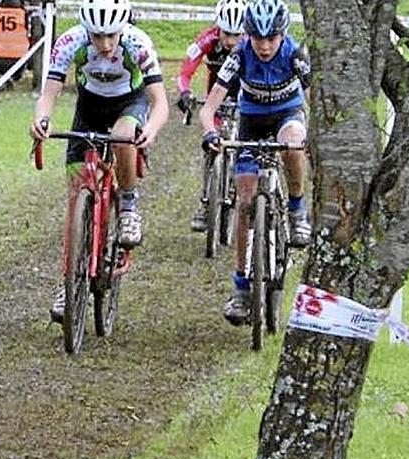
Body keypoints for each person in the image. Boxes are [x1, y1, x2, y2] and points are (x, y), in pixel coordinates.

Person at [30, 0, 168, 323]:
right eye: (97, 36)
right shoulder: (70, 42)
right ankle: (69, 278)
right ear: (86, 31)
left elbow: (160, 101)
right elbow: (48, 94)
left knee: (122, 137)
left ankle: (129, 207)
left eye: (111, 36)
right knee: (76, 194)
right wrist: (42, 120)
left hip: (128, 104)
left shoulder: (138, 43)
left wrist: (150, 128)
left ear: (123, 29)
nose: (105, 45)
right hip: (89, 108)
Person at [199, 0, 312, 325]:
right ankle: (241, 287)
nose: (263, 46)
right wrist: (210, 133)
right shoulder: (239, 55)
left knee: (292, 144)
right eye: (257, 38)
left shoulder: (293, 54)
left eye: (270, 39)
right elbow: (209, 108)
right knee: (245, 202)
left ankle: (296, 207)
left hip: (287, 113)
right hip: (251, 120)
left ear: (281, 35)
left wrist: (313, 138)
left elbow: (314, 97)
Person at [174, 0, 248, 232]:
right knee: (211, 145)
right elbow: (186, 70)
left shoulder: (251, 43)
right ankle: (206, 202)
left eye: (237, 35)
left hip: (245, 97)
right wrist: (185, 92)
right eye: (227, 34)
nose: (231, 42)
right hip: (215, 97)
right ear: (218, 27)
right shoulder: (208, 39)